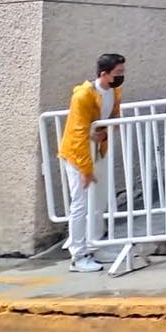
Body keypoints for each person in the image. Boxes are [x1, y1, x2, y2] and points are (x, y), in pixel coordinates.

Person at [57, 53, 125, 273]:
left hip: (98, 152)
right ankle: (78, 255)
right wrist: (85, 169)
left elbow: (113, 117)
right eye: (118, 73)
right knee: (80, 204)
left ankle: (95, 244)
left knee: (98, 201)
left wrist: (103, 134)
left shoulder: (114, 91)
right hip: (78, 155)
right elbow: (77, 134)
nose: (121, 77)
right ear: (103, 74)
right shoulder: (84, 96)